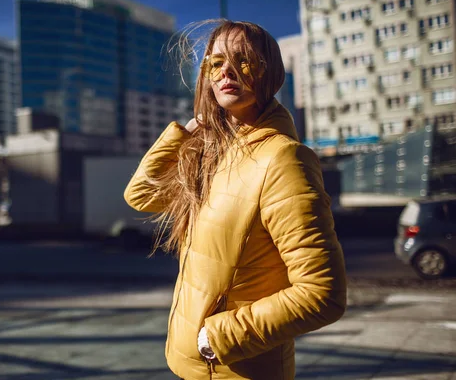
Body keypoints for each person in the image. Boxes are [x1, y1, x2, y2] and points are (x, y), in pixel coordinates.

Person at [124, 20, 347, 380]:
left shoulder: (284, 159)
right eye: (216, 63)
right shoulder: (215, 151)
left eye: (243, 61)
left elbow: (322, 294)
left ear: (269, 74)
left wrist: (217, 337)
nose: (227, 71)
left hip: (236, 369)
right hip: (194, 367)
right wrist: (188, 130)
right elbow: (141, 195)